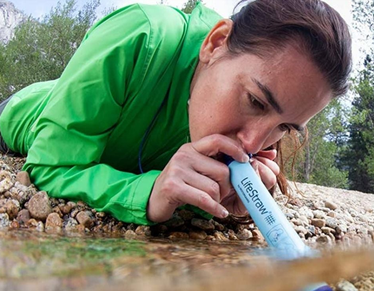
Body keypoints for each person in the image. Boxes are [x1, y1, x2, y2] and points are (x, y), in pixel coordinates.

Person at [0, 0, 351, 225]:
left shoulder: (255, 140)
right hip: (19, 114)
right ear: (215, 43)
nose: (251, 143)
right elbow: (49, 166)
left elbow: (183, 192)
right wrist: (149, 192)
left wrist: (227, 202)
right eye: (256, 102)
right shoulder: (140, 35)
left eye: (284, 127)